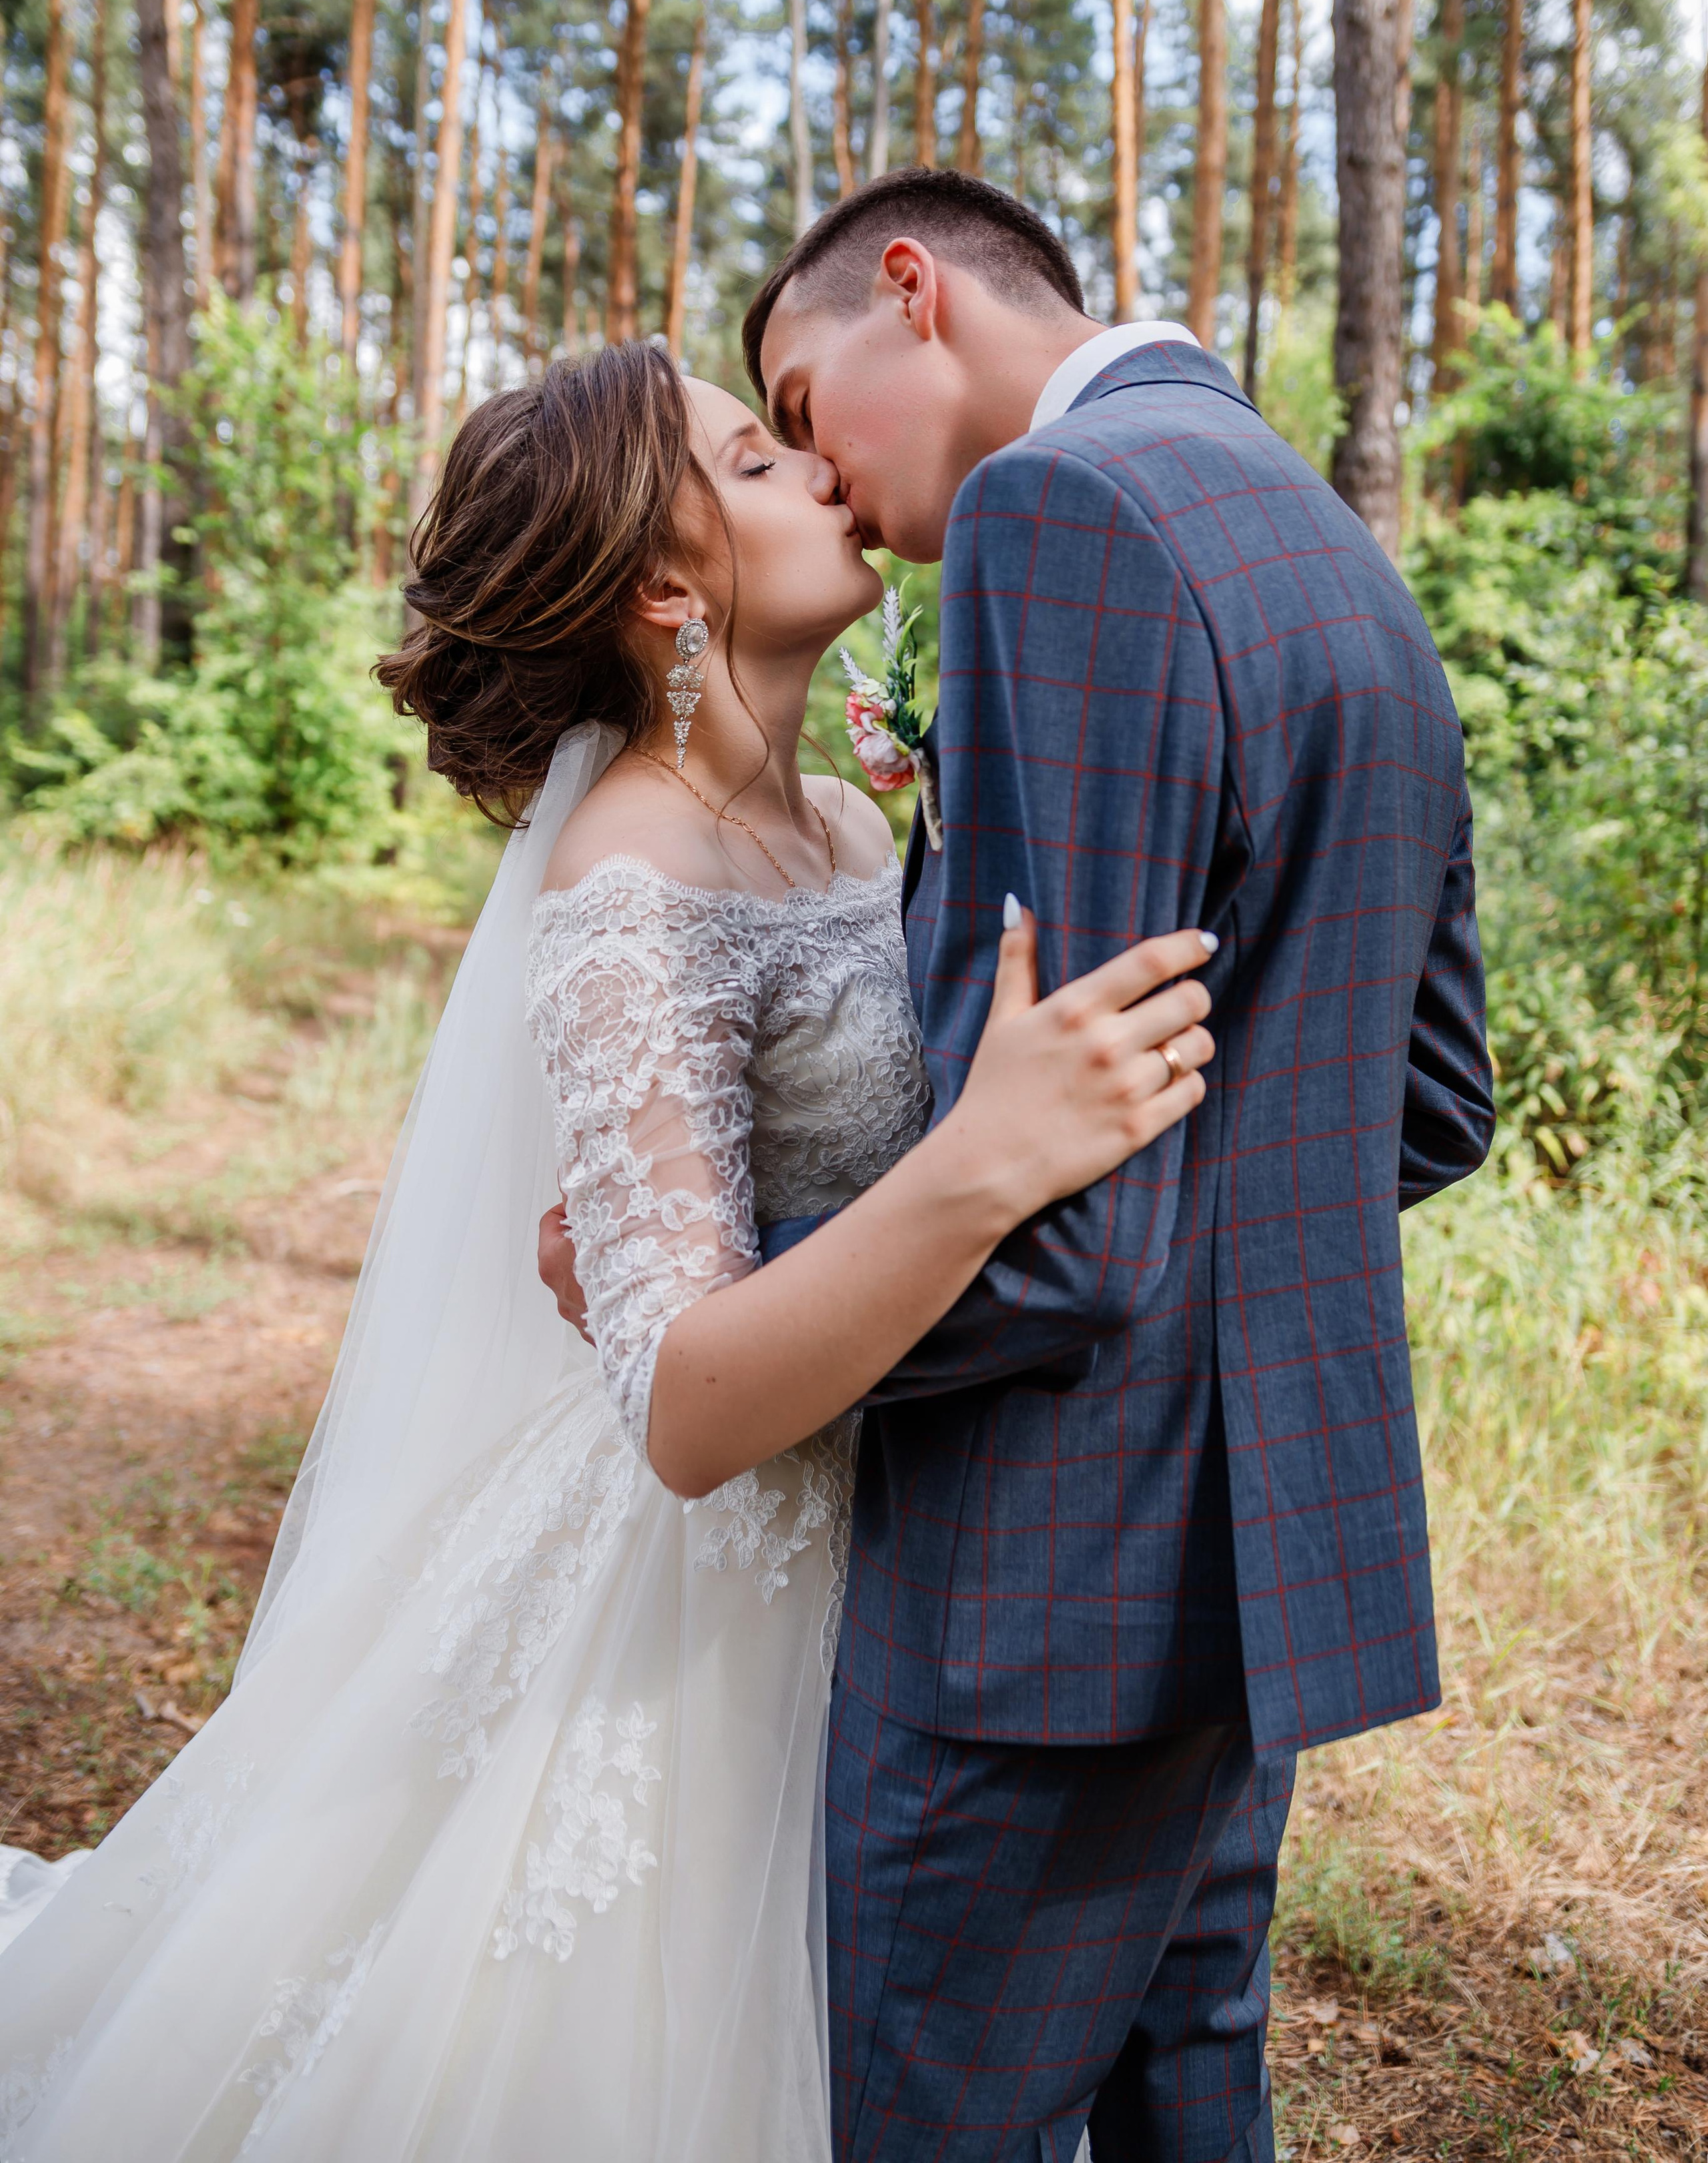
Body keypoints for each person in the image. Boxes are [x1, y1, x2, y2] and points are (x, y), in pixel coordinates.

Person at [0, 339, 1216, 2162]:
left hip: (894, 1537)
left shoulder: (842, 823)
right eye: (755, 463)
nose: (823, 470)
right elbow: (682, 1407)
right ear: (664, 588)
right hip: (706, 1598)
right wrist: (986, 1160)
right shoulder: (632, 873)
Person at [542, 166, 1497, 2162]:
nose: (827, 471)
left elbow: (1069, 1240)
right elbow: (1424, 1104)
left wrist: (727, 1291)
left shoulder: (1062, 515)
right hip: (1249, 1578)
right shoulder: (1313, 524)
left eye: (798, 409)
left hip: (1030, 1600)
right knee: (1186, 2108)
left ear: (913, 292)